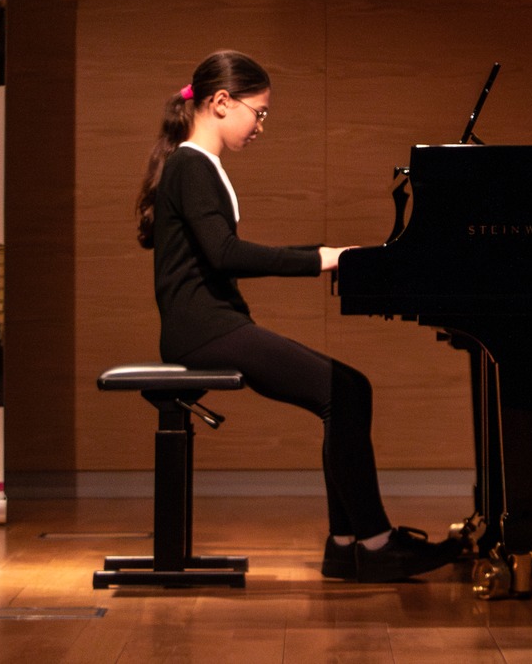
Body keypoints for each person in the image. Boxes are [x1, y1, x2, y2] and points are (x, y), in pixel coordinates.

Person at [138, 49, 460, 584]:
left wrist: (329, 254)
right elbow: (225, 253)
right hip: (203, 332)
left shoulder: (197, 165)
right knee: (346, 392)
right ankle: (374, 545)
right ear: (221, 102)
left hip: (210, 327)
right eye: (258, 112)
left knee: (350, 389)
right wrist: (322, 258)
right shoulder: (191, 165)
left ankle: (346, 544)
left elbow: (218, 254)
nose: (261, 125)